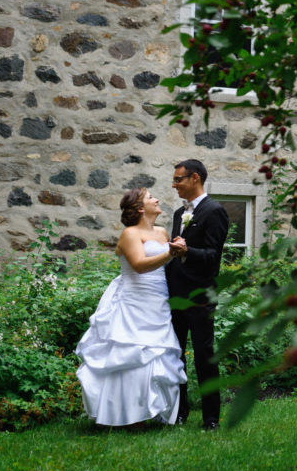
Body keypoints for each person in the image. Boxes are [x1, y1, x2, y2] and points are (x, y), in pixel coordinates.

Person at [75, 188, 187, 427]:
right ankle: (125, 415)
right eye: (150, 198)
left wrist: (179, 251)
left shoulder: (161, 231)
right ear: (139, 208)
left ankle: (152, 410)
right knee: (130, 354)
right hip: (134, 302)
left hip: (158, 300)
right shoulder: (130, 234)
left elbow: (167, 266)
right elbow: (138, 265)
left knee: (156, 354)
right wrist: (170, 252)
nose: (157, 199)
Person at [167, 159, 229, 430]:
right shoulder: (178, 214)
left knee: (204, 356)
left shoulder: (215, 211)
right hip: (175, 293)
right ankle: (179, 412)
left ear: (195, 178)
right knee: (174, 354)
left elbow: (214, 256)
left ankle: (211, 418)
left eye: (178, 179)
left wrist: (187, 251)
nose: (174, 184)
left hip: (200, 294)